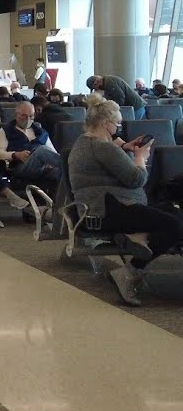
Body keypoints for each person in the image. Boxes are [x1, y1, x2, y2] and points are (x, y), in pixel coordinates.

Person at [68, 98, 177, 306]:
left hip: (97, 209)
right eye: (116, 124)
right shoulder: (103, 148)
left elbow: (107, 162)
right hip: (109, 210)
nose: (118, 127)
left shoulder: (84, 142)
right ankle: (128, 272)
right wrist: (141, 156)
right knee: (172, 224)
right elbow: (137, 178)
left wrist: (124, 147)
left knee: (170, 213)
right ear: (105, 124)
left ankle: (136, 236)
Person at [0, 101, 63, 204]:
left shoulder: (40, 131)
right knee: (41, 150)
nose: (28, 119)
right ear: (16, 115)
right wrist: (15, 154)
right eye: (24, 116)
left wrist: (51, 163)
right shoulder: (6, 130)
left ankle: (59, 207)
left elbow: (52, 152)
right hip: (20, 166)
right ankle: (71, 164)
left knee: (61, 173)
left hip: (43, 167)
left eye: (31, 116)